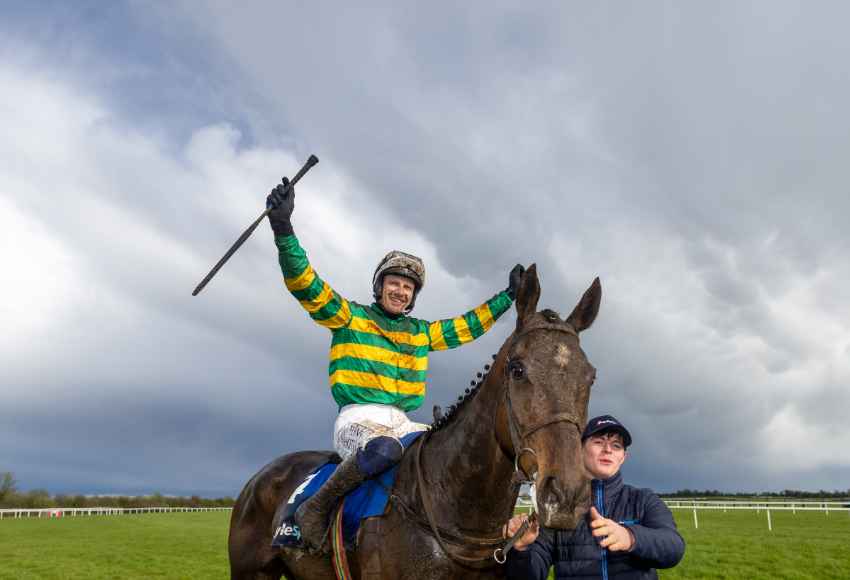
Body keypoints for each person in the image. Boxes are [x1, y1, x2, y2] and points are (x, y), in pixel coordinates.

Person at [266, 177, 523, 550]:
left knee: (446, 453)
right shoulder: (349, 317)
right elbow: (306, 284)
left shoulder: (420, 332)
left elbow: (465, 328)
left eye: (408, 287)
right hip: (357, 420)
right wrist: (283, 229)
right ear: (379, 285)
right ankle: (314, 512)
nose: (400, 291)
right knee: (385, 450)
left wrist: (508, 297)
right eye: (394, 282)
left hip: (404, 422)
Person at [503, 415, 685, 579]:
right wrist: (522, 549)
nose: (608, 450)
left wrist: (630, 537)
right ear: (580, 450)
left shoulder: (644, 500)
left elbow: (674, 548)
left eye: (616, 445)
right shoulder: (558, 507)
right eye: (598, 442)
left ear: (623, 457)